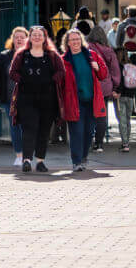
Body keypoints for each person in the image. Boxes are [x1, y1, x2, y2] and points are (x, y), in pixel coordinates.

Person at [11, 23, 65, 172]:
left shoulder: (53, 55)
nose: (36, 37)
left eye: (39, 35)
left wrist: (52, 79)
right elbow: (13, 72)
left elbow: (62, 71)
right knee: (29, 128)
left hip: (48, 99)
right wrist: (22, 80)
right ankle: (26, 160)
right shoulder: (22, 54)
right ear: (30, 37)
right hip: (26, 98)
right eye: (34, 34)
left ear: (44, 38)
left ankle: (40, 161)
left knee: (44, 130)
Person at [60, 28, 109, 172]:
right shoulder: (64, 60)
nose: (75, 42)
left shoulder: (92, 55)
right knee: (77, 132)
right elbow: (59, 83)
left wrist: (97, 67)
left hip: (91, 101)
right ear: (67, 43)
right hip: (74, 102)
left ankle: (83, 157)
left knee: (89, 132)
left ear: (81, 40)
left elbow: (103, 74)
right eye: (72, 40)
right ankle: (76, 161)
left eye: (77, 39)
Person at [0, 27, 28, 167]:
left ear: (27, 39)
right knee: (15, 126)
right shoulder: (4, 56)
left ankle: (28, 155)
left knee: (28, 127)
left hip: (29, 99)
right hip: (10, 99)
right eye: (16, 37)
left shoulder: (31, 55)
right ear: (12, 39)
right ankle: (19, 154)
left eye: (22, 37)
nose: (19, 39)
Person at [86, 24, 121, 151]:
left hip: (89, 85)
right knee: (102, 114)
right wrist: (115, 85)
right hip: (105, 86)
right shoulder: (109, 50)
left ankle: (88, 141)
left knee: (89, 114)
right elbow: (115, 69)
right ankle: (99, 143)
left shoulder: (86, 48)